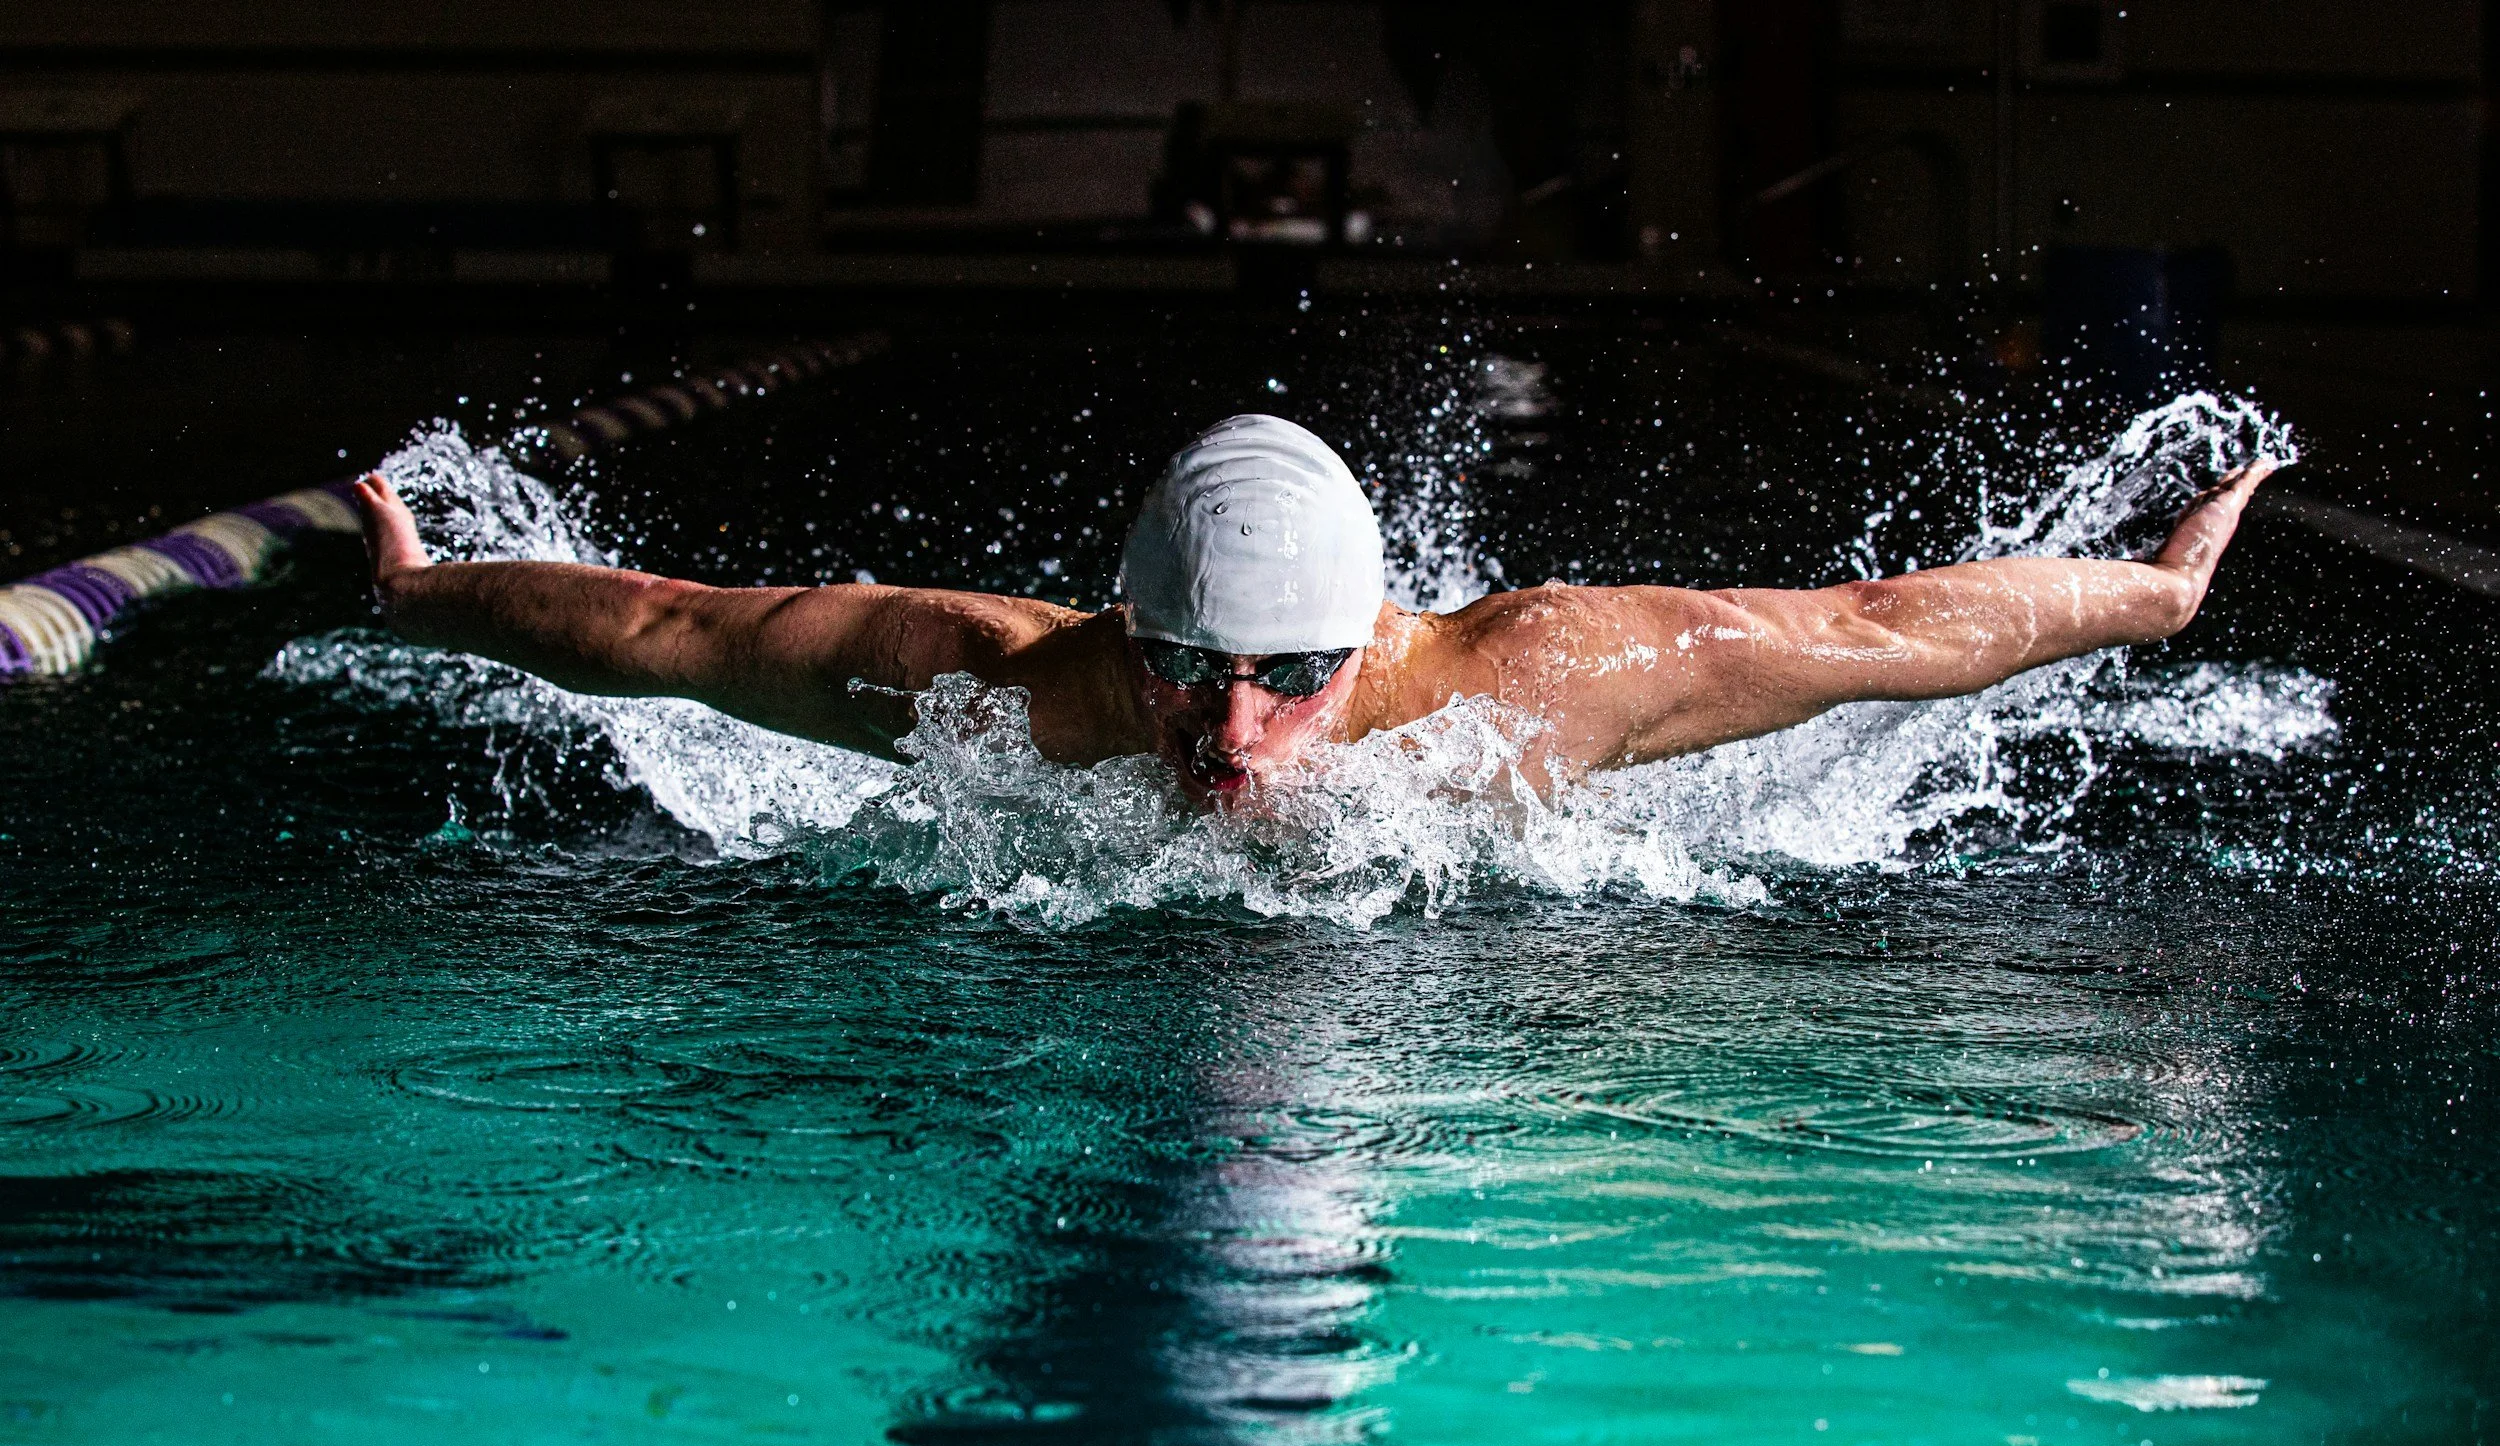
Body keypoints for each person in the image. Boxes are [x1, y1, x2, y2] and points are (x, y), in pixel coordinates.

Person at [355, 413, 2276, 803]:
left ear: (1372, 642)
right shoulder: (1015, 692)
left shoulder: (1531, 683)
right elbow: (674, 626)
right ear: (1130, 636)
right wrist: (433, 594)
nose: (1240, 741)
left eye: (1290, 683)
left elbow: (1871, 629)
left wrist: (2155, 599)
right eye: (1194, 679)